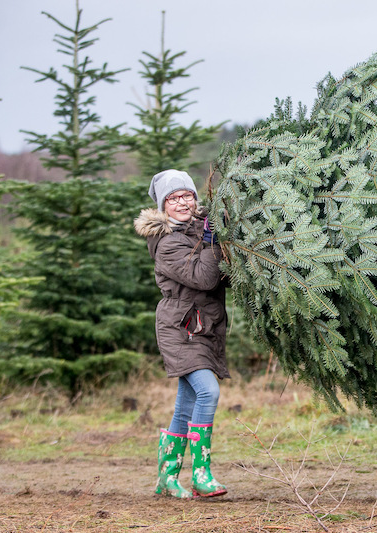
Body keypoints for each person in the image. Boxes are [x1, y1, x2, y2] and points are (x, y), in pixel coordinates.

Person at [134, 169, 229, 499]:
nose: (182, 202)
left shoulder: (199, 228)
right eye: (173, 198)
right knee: (208, 392)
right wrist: (213, 240)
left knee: (185, 405)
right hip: (180, 327)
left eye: (187, 195)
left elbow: (221, 276)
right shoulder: (167, 243)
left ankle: (166, 477)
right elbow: (205, 277)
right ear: (163, 205)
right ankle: (201, 474)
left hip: (204, 324)